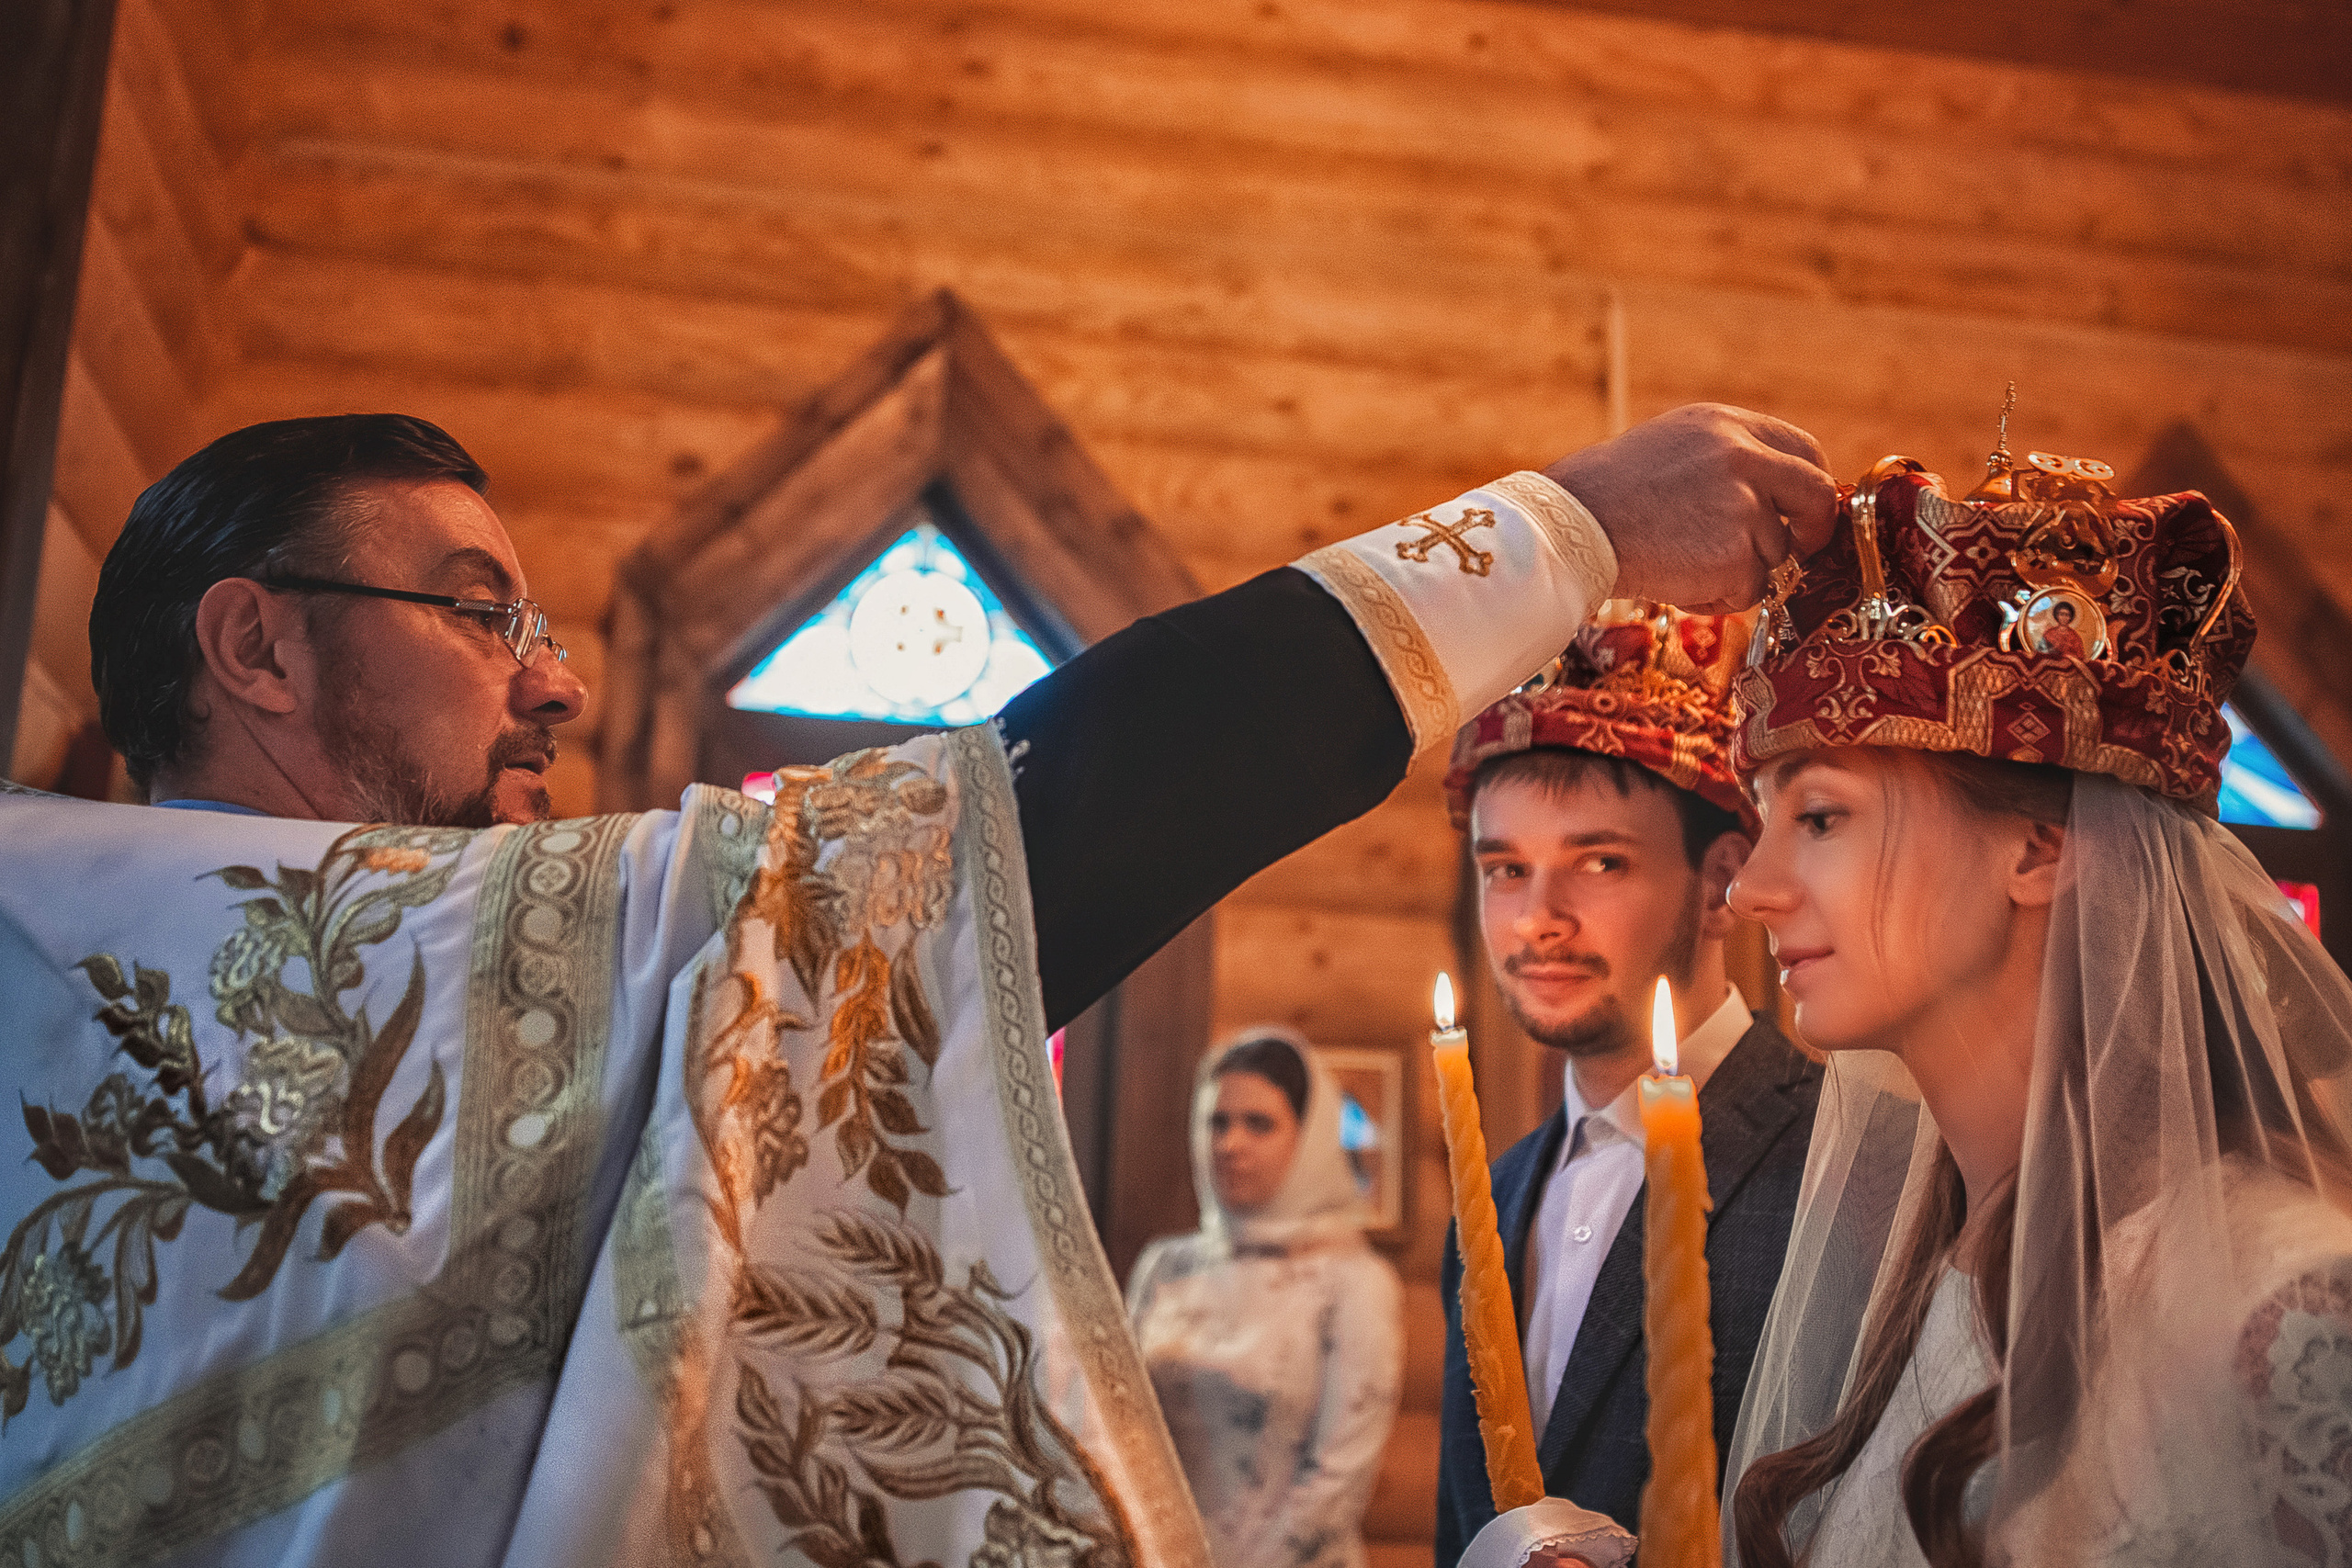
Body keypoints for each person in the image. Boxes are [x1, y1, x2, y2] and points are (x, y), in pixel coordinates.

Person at [0, 404, 1838, 1566]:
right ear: (255, 642)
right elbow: (1001, 840)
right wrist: (1563, 528)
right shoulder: (393, 943)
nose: (551, 682)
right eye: (484, 614)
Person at [1717, 456, 2351, 1565]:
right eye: (1763, 821)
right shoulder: (1935, 1272)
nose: (1749, 891)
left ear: (2038, 848)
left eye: (1819, 818)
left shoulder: (2286, 1309)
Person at [1432, 607, 1822, 1565]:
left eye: (1599, 862)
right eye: (1505, 869)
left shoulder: (1832, 1153)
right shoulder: (1498, 1191)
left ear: (1718, 882)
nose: (1539, 919)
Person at [1127, 1031, 1403, 1568]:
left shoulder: (1355, 1282)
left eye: (1258, 1124)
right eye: (1217, 1123)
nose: (1230, 1144)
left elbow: (1337, 1478)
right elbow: (1120, 1423)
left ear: (1309, 1138)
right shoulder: (1166, 1265)